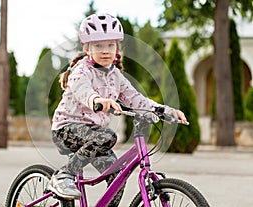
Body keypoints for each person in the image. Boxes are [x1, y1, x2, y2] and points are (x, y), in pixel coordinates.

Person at [47, 13, 188, 206]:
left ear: (117, 48)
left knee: (117, 176)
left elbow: (136, 99)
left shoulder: (116, 76)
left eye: (110, 45)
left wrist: (165, 110)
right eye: (98, 46)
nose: (105, 51)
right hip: (66, 129)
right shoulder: (81, 70)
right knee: (107, 136)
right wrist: (97, 100)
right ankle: (63, 175)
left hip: (95, 136)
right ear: (87, 48)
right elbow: (83, 90)